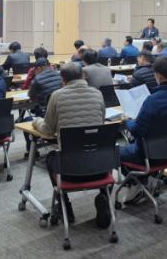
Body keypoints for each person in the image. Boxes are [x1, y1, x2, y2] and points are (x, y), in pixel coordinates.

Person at [32, 62, 109, 227]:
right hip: (101, 167)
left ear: (63, 80)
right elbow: (100, 124)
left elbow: (47, 130)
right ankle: (104, 196)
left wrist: (36, 121)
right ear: (83, 76)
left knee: (50, 158)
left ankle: (65, 206)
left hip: (69, 171)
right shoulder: (97, 94)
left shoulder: (57, 96)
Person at [120, 57, 167, 164]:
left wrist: (127, 121)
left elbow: (137, 131)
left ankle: (137, 174)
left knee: (114, 153)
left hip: (146, 152)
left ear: (158, 75)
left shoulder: (152, 100)